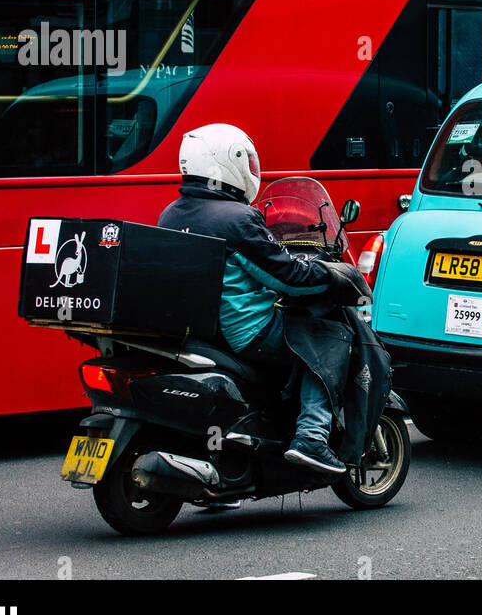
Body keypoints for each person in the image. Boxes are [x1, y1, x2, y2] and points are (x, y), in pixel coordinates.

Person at [158, 123, 371, 473]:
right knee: (327, 337)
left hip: (200, 332)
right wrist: (332, 275)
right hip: (246, 332)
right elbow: (287, 279)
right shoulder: (237, 218)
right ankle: (312, 438)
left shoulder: (172, 213)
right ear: (230, 161)